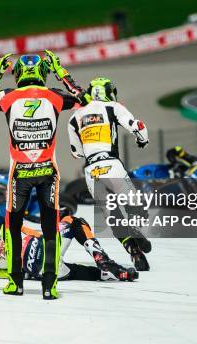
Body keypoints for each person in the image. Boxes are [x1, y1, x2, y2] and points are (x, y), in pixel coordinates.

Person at [0, 50, 83, 299]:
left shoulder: (8, 96)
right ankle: (49, 287)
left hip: (19, 174)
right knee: (51, 227)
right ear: (43, 73)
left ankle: (15, 284)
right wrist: (60, 70)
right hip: (49, 173)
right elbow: (83, 99)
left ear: (18, 74)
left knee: (12, 227)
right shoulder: (55, 95)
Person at [67, 77, 152, 271]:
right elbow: (137, 126)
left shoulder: (74, 118)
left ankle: (134, 252)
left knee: (112, 215)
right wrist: (143, 140)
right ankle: (136, 230)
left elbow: (76, 152)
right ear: (108, 92)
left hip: (91, 170)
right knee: (136, 206)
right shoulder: (113, 106)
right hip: (112, 164)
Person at [0, 215, 138, 282]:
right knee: (73, 221)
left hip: (43, 273)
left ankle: (114, 274)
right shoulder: (4, 234)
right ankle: (102, 260)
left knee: (75, 271)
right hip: (40, 253)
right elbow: (34, 233)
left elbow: (4, 275)